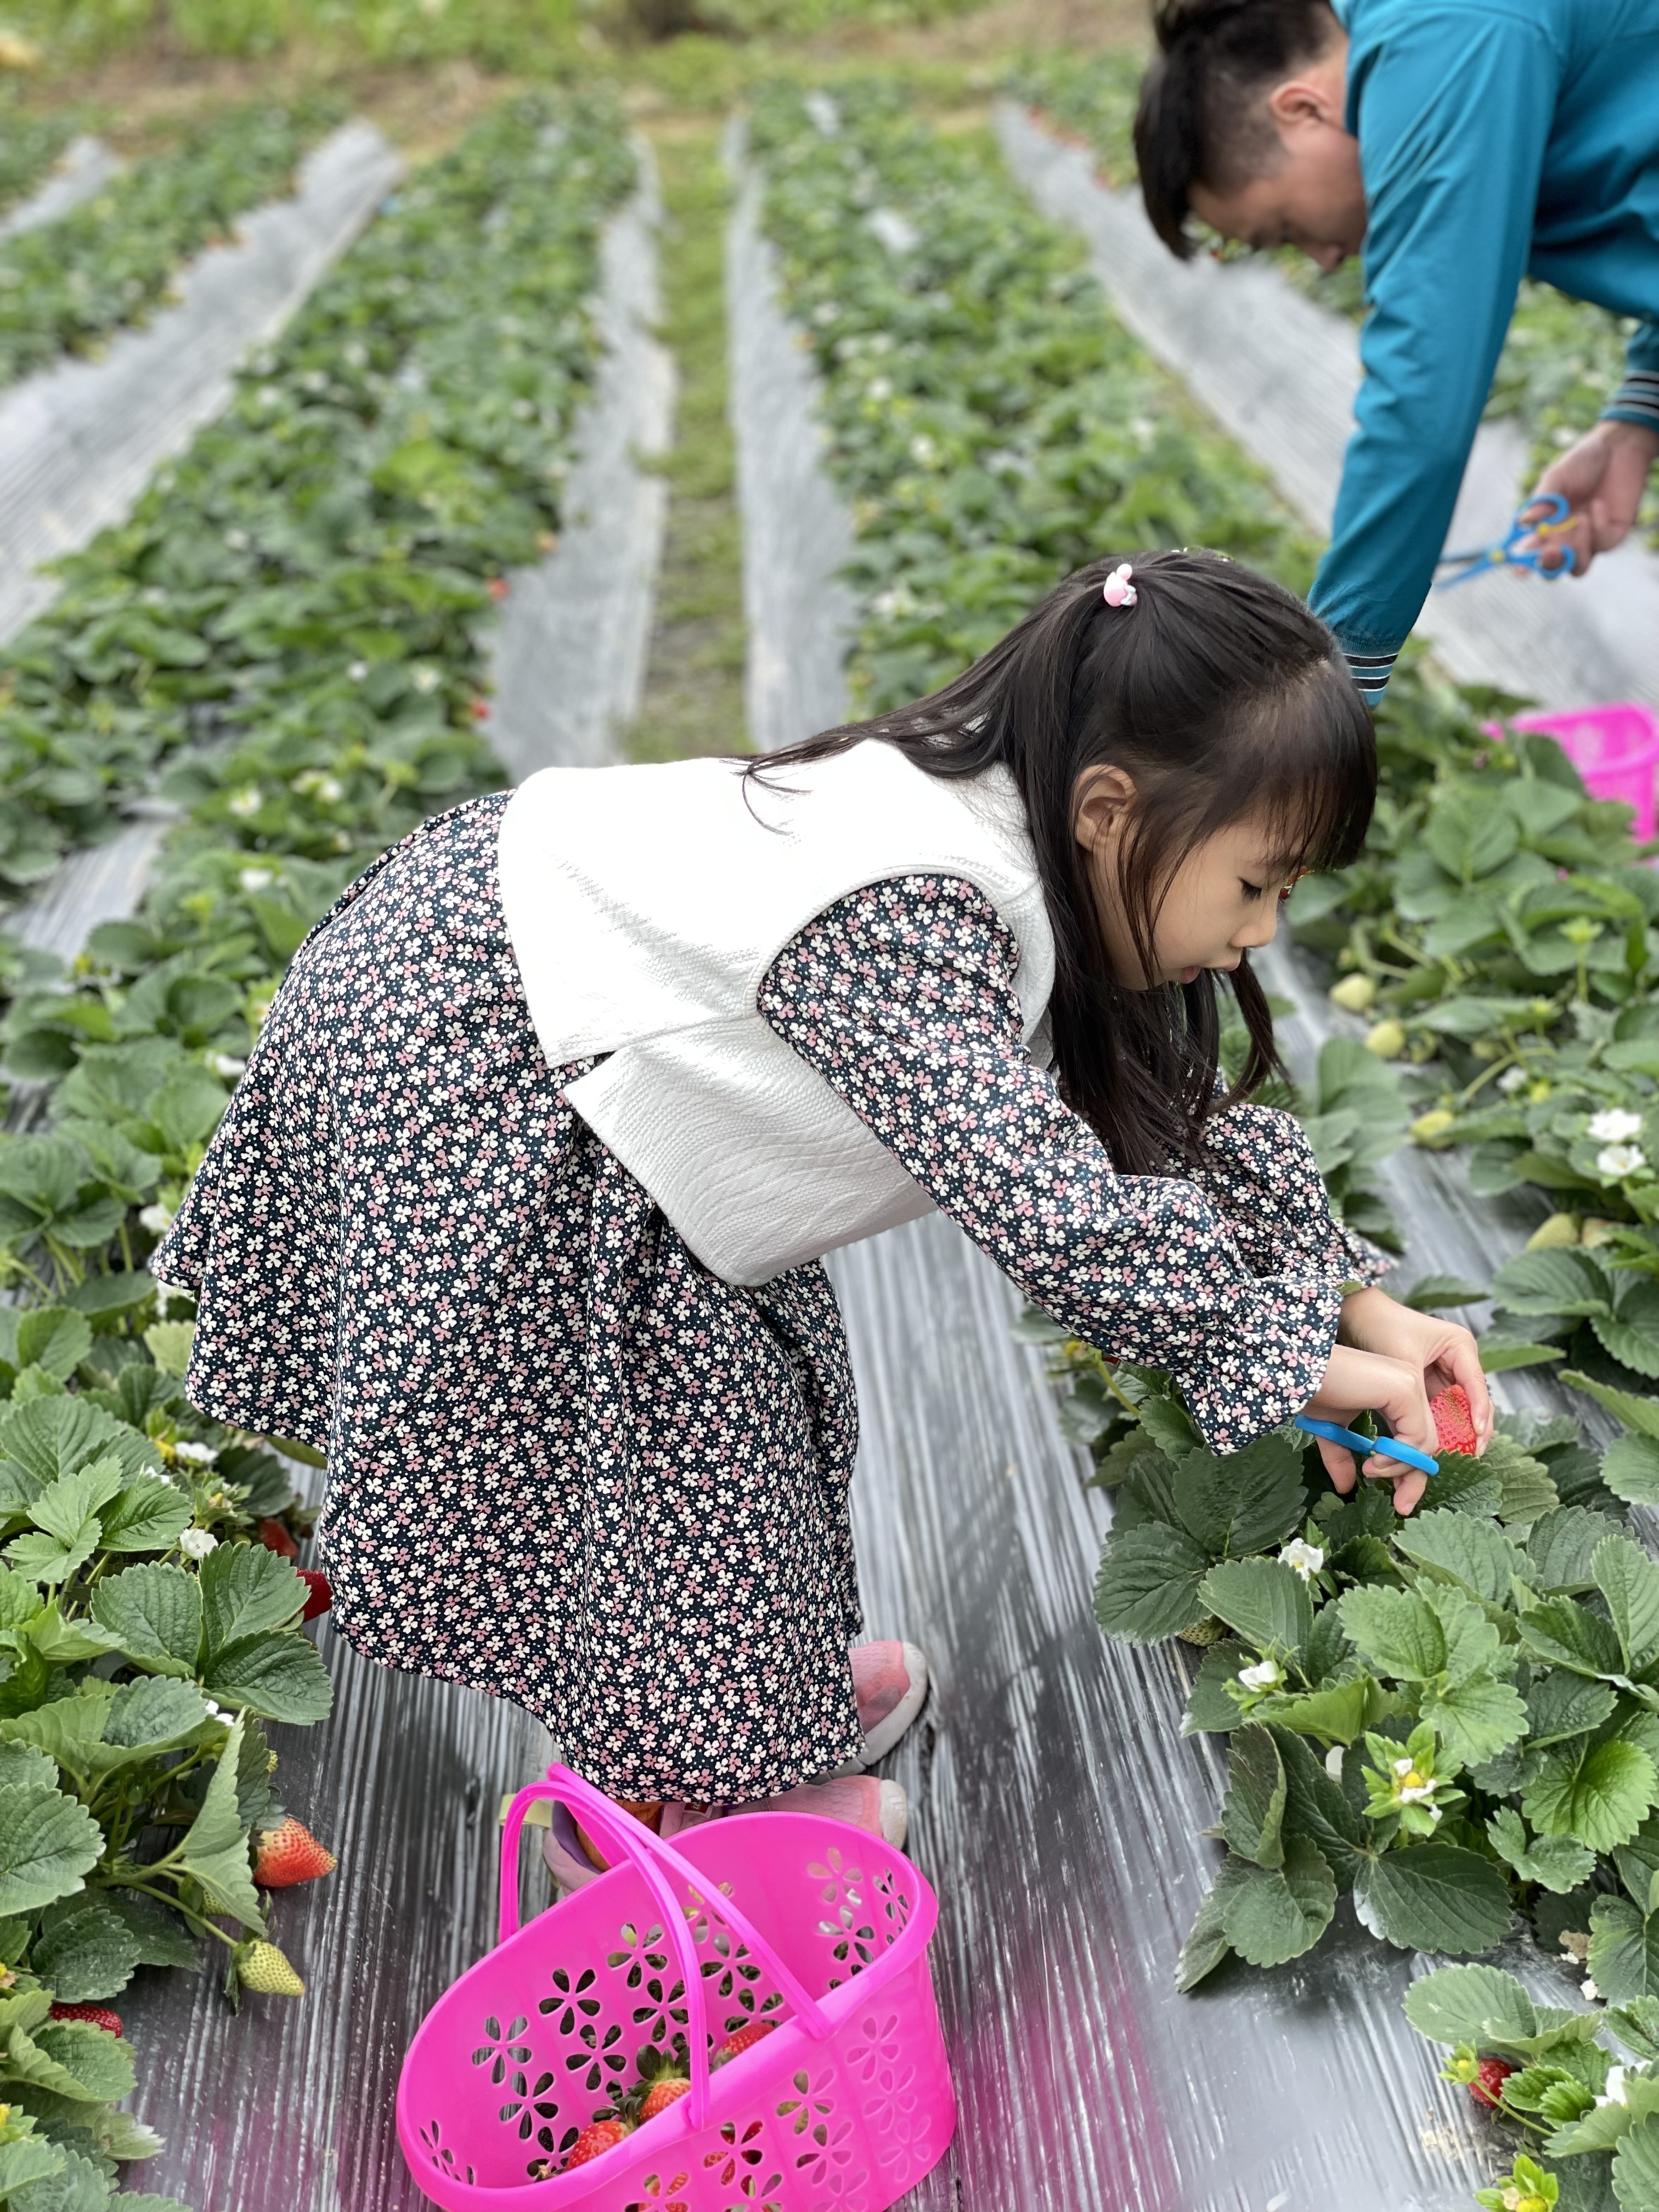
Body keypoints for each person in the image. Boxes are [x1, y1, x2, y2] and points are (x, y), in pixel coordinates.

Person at [153, 549, 1491, 1889]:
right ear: (1109, 806)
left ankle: (748, 1706)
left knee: (761, 1409)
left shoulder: (1065, 853)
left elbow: (1166, 1114)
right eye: (1256, 883)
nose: (1261, 930)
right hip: (485, 1052)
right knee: (669, 1452)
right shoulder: (907, 911)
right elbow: (1052, 1201)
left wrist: (1346, 1295)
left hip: (592, 1048)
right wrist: (1265, 1351)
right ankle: (658, 1814)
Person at [1134, 0, 1659, 703]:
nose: (1321, 259)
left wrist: (1329, 686)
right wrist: (1638, 415)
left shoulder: (1440, 28)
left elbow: (1423, 392)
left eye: (1285, 227)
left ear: (1301, 109)